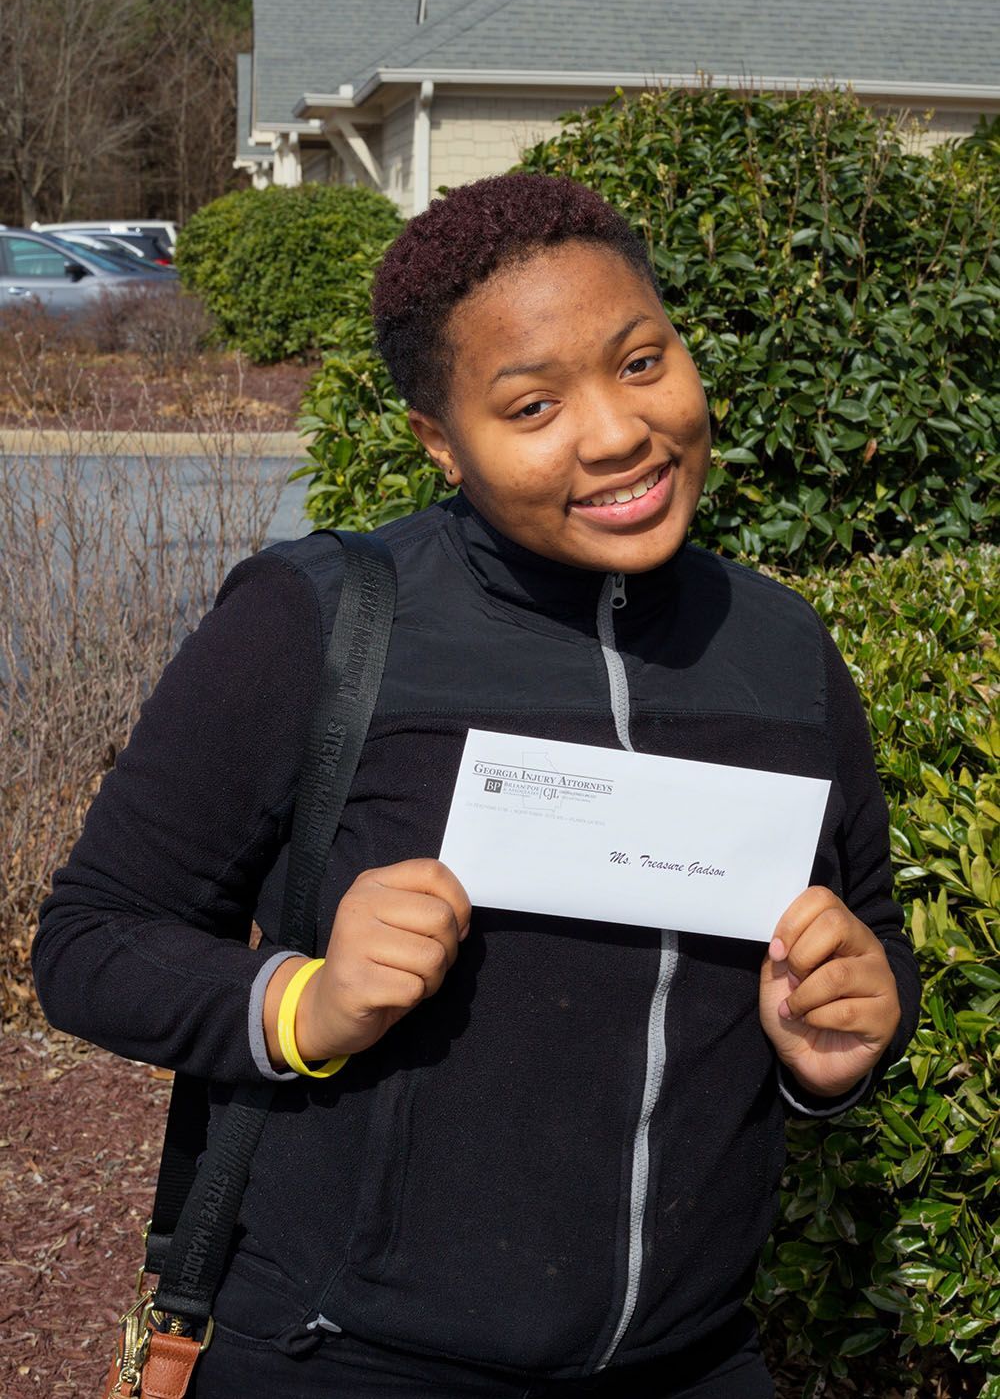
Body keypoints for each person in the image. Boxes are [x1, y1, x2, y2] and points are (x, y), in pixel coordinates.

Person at [33, 173, 920, 1398]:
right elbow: (87, 942)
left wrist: (847, 1040)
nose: (614, 433)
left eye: (643, 361)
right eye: (533, 404)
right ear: (440, 442)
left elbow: (862, 939)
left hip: (696, 1360)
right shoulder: (323, 623)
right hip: (344, 1359)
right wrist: (306, 1004)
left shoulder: (779, 650)